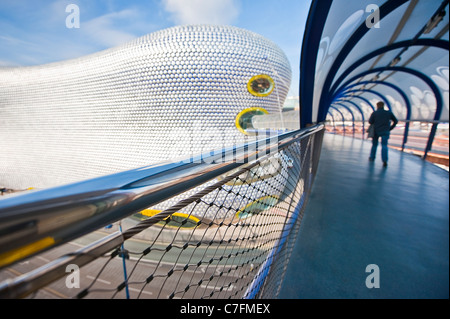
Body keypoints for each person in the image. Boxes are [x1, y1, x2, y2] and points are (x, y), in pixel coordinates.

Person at [368, 101, 398, 167]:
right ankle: (384, 160)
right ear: (383, 106)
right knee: (384, 146)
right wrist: (390, 128)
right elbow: (395, 121)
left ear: (377, 106)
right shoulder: (388, 113)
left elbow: (370, 121)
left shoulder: (375, 113)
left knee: (374, 145)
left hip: (376, 131)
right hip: (385, 131)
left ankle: (372, 157)